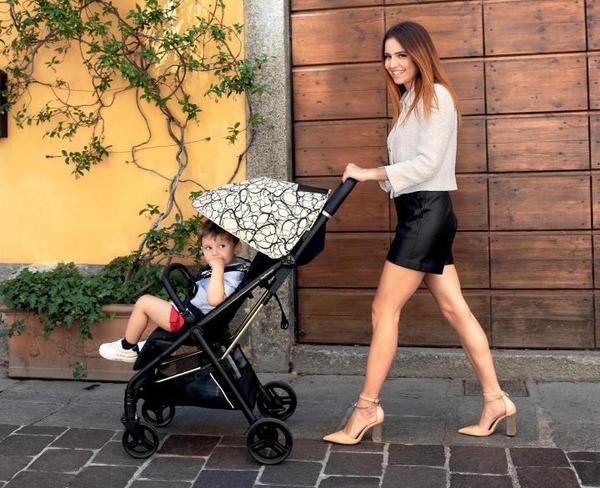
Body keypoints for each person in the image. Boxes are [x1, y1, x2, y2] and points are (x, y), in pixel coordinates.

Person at [323, 21, 516, 445]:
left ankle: (366, 409)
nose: (392, 63)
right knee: (454, 309)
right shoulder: (410, 100)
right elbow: (407, 170)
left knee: (383, 309)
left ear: (419, 55)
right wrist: (383, 178)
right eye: (387, 56)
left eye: (401, 55)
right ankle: (496, 401)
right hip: (417, 212)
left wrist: (370, 173)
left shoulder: (437, 98)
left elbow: (428, 165)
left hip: (426, 215)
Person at [99, 221, 248, 363]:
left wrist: (217, 268)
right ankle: (145, 345)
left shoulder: (229, 274)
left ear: (237, 247)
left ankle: (127, 347)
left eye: (222, 246)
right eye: (208, 248)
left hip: (189, 321)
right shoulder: (236, 265)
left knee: (144, 302)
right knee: (156, 306)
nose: (215, 253)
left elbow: (215, 300)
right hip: (189, 313)